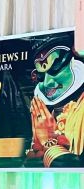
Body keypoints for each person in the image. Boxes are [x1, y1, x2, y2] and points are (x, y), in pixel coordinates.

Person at [26, 39, 84, 167]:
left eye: (55, 69)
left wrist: (48, 141)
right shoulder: (39, 112)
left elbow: (75, 168)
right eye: (40, 75)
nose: (48, 82)